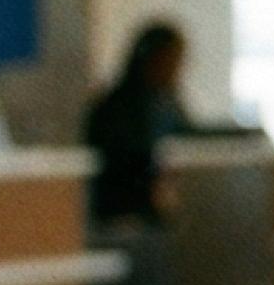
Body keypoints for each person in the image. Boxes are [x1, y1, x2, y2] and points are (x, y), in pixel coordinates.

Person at [83, 21, 194, 231]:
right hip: (124, 214)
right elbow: (126, 160)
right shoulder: (116, 107)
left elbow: (188, 137)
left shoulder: (167, 103)